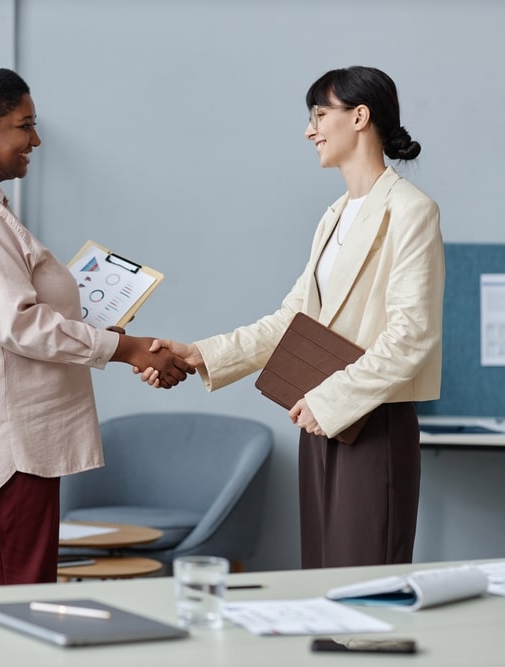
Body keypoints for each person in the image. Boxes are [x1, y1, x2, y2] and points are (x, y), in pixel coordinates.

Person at [0, 62, 192, 588]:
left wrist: (115, 339)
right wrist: (129, 350)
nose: (36, 139)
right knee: (0, 603)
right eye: (24, 125)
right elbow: (21, 325)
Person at [142, 66, 444, 569]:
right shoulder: (333, 216)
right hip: (321, 423)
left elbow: (413, 338)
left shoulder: (412, 211)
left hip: (370, 423)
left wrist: (329, 402)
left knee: (365, 591)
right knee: (322, 584)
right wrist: (200, 354)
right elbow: (294, 319)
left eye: (320, 115)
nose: (310, 130)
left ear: (360, 116)